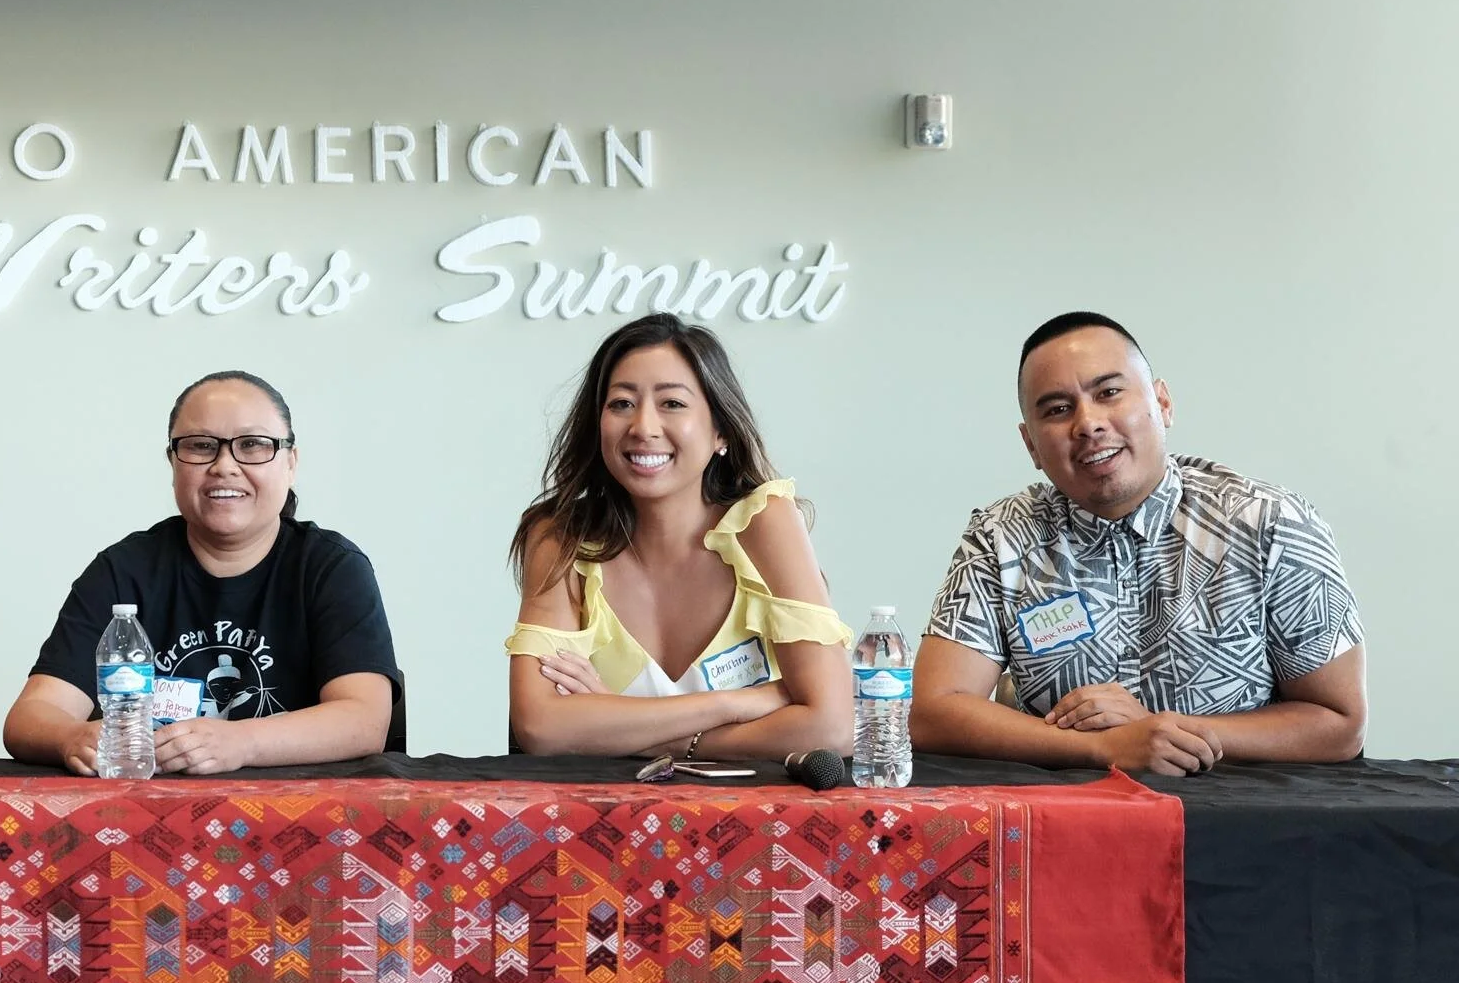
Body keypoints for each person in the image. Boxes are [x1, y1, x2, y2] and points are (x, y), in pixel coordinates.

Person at [912, 312, 1366, 775]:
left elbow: (1339, 723)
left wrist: (1162, 731)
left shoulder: (1268, 523)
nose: (1088, 424)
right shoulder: (1002, 537)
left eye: (1109, 393)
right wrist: (1105, 748)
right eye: (1057, 409)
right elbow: (932, 713)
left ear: (1163, 403)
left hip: (1241, 817)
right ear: (1031, 445)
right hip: (1069, 821)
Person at [4, 370, 398, 775]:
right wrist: (70, 737)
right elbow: (31, 717)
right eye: (201, 446)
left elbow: (365, 720)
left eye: (252, 445)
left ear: (291, 463)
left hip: (297, 815)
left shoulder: (330, 567)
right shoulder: (122, 570)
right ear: (173, 462)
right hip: (144, 815)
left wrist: (243, 742)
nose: (224, 466)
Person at [504, 314, 853, 759]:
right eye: (621, 403)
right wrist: (734, 704)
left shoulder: (766, 524)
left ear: (720, 430)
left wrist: (626, 725)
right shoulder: (560, 537)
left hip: (759, 823)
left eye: (672, 404)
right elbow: (542, 728)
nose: (643, 426)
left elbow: (832, 728)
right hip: (599, 817)